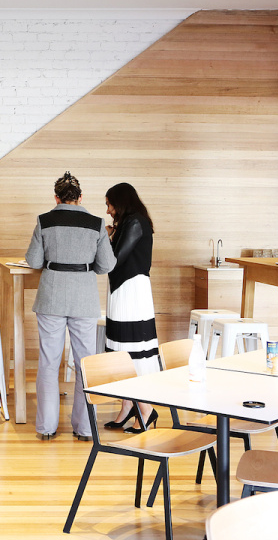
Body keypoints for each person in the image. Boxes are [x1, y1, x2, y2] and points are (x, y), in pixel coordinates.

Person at [25, 172, 116, 441]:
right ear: (80, 197)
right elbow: (106, 265)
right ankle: (85, 429)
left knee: (49, 363)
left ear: (56, 198)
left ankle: (46, 427)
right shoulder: (97, 224)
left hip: (51, 297)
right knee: (84, 363)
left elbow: (33, 261)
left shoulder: (44, 220)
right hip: (84, 299)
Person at [102, 182, 161, 433]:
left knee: (133, 351)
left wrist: (106, 238)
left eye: (109, 204)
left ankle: (146, 409)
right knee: (122, 350)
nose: (108, 210)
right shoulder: (130, 222)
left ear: (120, 202)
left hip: (131, 292)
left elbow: (114, 260)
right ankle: (127, 405)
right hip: (122, 290)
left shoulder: (135, 222)